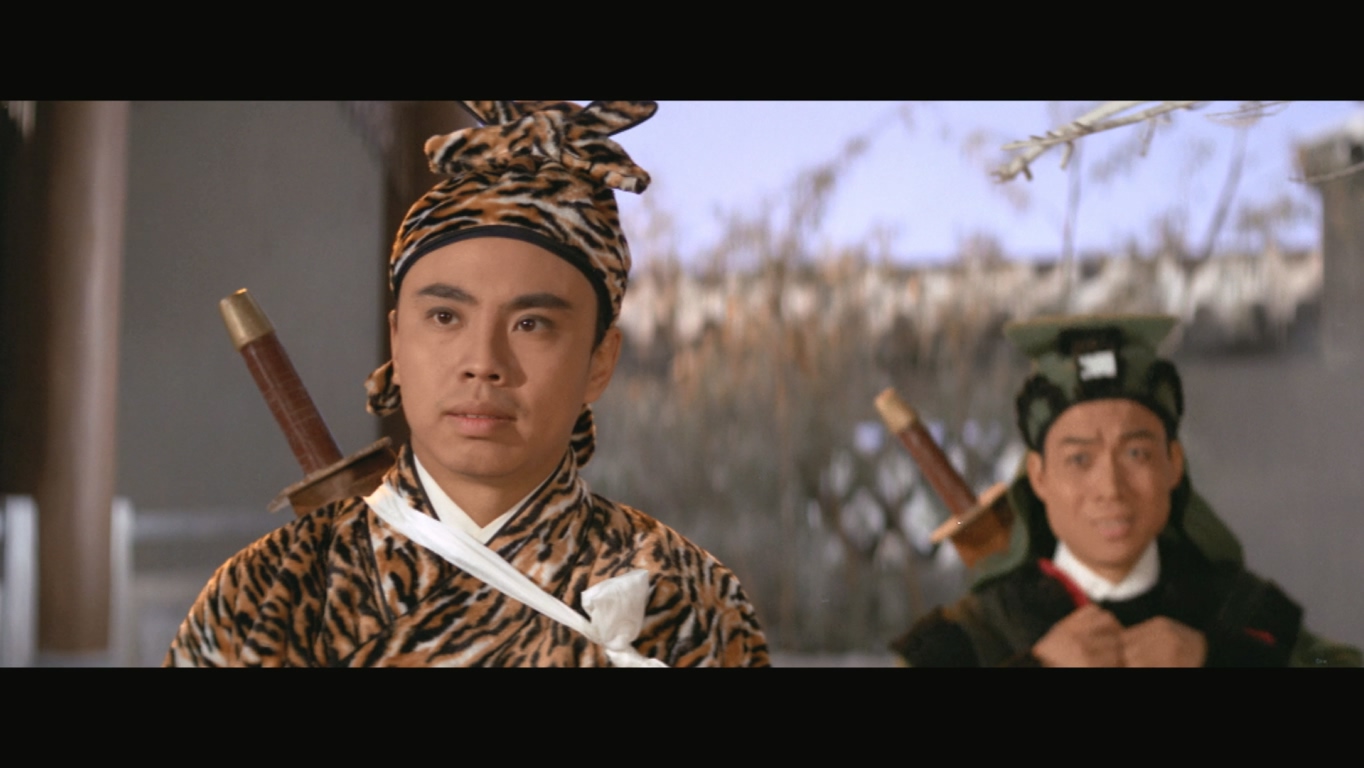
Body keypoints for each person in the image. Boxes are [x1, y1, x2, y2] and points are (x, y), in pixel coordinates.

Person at [165, 100, 770, 667]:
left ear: (600, 361)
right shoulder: (263, 594)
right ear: (397, 342)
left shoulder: (691, 599)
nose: (483, 362)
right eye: (445, 317)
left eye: (532, 324)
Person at [890, 313, 1361, 667]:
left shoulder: (1234, 607)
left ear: (1173, 463)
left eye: (1136, 453)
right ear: (1039, 476)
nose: (1110, 488)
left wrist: (1214, 657)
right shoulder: (980, 629)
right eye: (1080, 460)